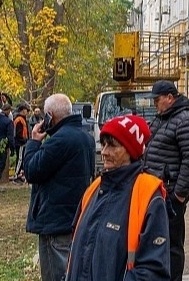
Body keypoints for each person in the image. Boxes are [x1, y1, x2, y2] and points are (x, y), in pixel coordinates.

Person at [65, 114, 170, 281]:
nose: (104, 152)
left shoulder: (147, 195)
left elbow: (153, 269)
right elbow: (76, 249)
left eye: (113, 146)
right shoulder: (94, 189)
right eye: (104, 144)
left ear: (130, 150)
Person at [23, 93, 95, 281]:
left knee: (55, 275)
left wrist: (33, 142)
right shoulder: (85, 138)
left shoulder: (59, 141)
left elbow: (31, 171)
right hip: (75, 217)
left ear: (50, 116)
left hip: (54, 222)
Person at [143, 79, 189, 281]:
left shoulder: (185, 119)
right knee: (158, 241)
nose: (154, 105)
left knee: (173, 245)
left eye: (157, 100)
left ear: (170, 97)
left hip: (170, 194)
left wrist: (179, 194)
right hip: (156, 192)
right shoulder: (163, 118)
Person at [12, 104, 31, 182]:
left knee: (21, 158)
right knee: (20, 159)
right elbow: (18, 133)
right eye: (26, 110)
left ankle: (19, 174)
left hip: (21, 142)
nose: (27, 112)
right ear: (23, 110)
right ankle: (16, 175)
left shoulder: (22, 119)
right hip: (20, 143)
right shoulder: (19, 120)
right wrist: (24, 140)